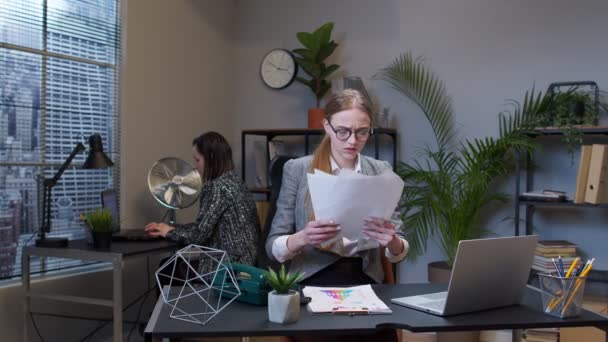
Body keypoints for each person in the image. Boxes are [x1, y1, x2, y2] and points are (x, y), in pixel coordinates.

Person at [266, 89, 408, 342]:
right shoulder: (297, 170)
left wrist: (393, 242)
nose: (352, 141)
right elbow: (273, 245)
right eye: (343, 131)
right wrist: (303, 238)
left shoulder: (379, 170)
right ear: (327, 126)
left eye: (362, 132)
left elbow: (399, 248)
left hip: (365, 279)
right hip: (314, 279)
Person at [146, 131, 260, 271]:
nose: (195, 167)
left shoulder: (216, 187)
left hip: (228, 268)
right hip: (249, 263)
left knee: (167, 268)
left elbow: (199, 235)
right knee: (171, 264)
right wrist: (173, 228)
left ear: (211, 158)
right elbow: (205, 226)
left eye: (198, 160)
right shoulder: (235, 182)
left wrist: (169, 233)